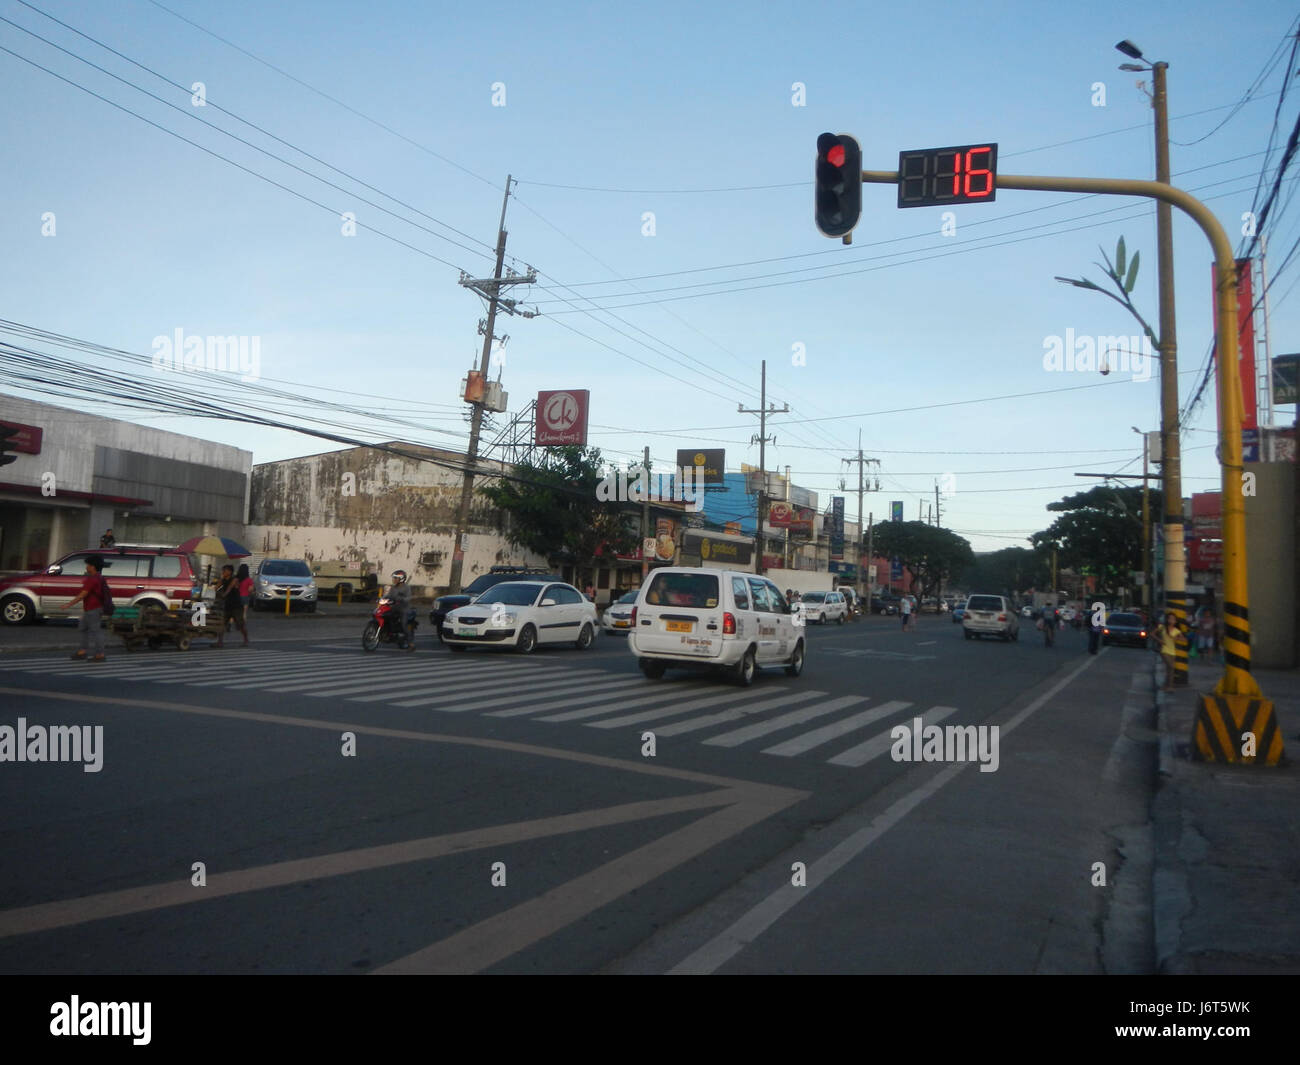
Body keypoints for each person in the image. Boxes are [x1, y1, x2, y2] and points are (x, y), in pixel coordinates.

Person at [64, 554, 109, 662]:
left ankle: (100, 654)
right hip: (92, 608)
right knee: (83, 628)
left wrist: (69, 604)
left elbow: (83, 594)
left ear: (93, 566)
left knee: (95, 631)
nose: (86, 567)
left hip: (93, 608)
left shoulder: (92, 579)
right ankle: (82, 651)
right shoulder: (100, 577)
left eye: (88, 565)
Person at [214, 565, 246, 648]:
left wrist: (223, 594)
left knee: (240, 625)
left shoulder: (234, 579)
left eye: (225, 571)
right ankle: (220, 642)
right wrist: (215, 588)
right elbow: (216, 587)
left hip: (236, 606)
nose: (223, 572)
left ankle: (245, 639)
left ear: (230, 572)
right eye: (223, 571)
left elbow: (229, 588)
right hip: (227, 605)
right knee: (222, 623)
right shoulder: (223, 579)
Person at [386, 569, 416, 650]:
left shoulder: (406, 588)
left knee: (404, 624)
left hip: (404, 609)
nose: (394, 580)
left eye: (396, 578)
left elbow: (409, 597)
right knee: (385, 616)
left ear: (401, 579)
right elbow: (388, 595)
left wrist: (403, 599)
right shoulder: (393, 588)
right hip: (394, 607)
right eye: (394, 578)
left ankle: (411, 643)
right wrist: (382, 598)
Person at [1158, 612, 1179, 690]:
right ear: (1167, 620)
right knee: (1171, 667)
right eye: (1170, 619)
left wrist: (1176, 639)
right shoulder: (1162, 627)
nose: (1171, 620)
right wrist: (1160, 640)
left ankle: (1167, 685)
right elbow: (1152, 634)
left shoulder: (1176, 630)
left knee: (1169, 669)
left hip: (1172, 651)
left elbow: (1183, 639)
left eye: (1173, 619)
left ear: (1175, 621)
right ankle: (1170, 686)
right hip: (1164, 650)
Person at [236, 563, 253, 644]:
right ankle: (242, 625)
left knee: (236, 610)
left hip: (237, 597)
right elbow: (250, 589)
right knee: (244, 612)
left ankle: (232, 623)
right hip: (245, 596)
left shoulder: (237, 579)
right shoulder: (249, 580)